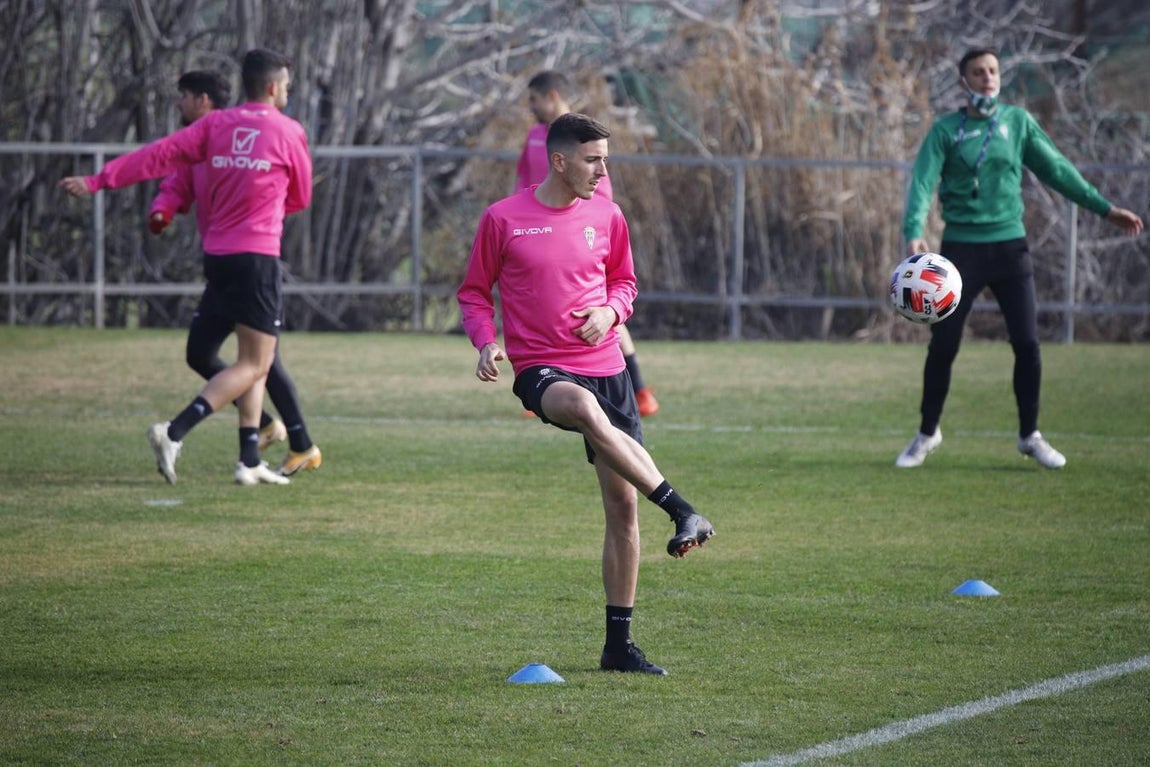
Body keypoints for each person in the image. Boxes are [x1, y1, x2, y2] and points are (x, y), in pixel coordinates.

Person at [458, 112, 714, 675]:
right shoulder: (504, 218)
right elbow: (475, 293)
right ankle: (682, 508)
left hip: (608, 368)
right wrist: (485, 341)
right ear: (560, 161)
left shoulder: (608, 213)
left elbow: (626, 283)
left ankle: (618, 647)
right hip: (542, 369)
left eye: (605, 158)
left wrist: (610, 311)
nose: (603, 170)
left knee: (622, 507)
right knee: (577, 406)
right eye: (594, 159)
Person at [60, 48, 315, 486]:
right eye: (287, 85)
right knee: (256, 363)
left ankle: (249, 459)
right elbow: (302, 197)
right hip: (257, 259)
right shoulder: (288, 131)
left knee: (243, 357)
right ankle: (174, 432)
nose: (287, 91)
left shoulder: (214, 125)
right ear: (273, 87)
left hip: (218, 257)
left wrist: (99, 181)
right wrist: (271, 205)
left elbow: (156, 157)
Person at [898, 47, 1143, 469]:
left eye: (993, 71)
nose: (988, 78)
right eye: (978, 72)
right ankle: (926, 433)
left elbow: (1057, 170)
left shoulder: (1017, 122)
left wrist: (1103, 208)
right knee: (943, 345)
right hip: (960, 252)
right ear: (964, 82)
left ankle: (1030, 436)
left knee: (1028, 344)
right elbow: (922, 182)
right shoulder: (945, 131)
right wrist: (914, 232)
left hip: (1010, 247)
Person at [148, 69, 322, 478]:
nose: (179, 104)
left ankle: (264, 449)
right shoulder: (207, 141)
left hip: (243, 258)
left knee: (260, 361)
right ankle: (257, 447)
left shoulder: (223, 138)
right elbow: (178, 181)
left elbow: (289, 191)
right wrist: (164, 207)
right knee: (240, 359)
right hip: (228, 261)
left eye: (184, 96)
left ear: (204, 100)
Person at [516, 70, 660, 417]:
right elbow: (522, 181)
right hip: (540, 238)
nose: (530, 107)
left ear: (551, 95)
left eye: (534, 99)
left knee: (604, 315)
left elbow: (599, 194)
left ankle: (638, 390)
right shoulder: (537, 136)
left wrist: (587, 231)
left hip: (581, 237)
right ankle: (549, 381)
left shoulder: (582, 138)